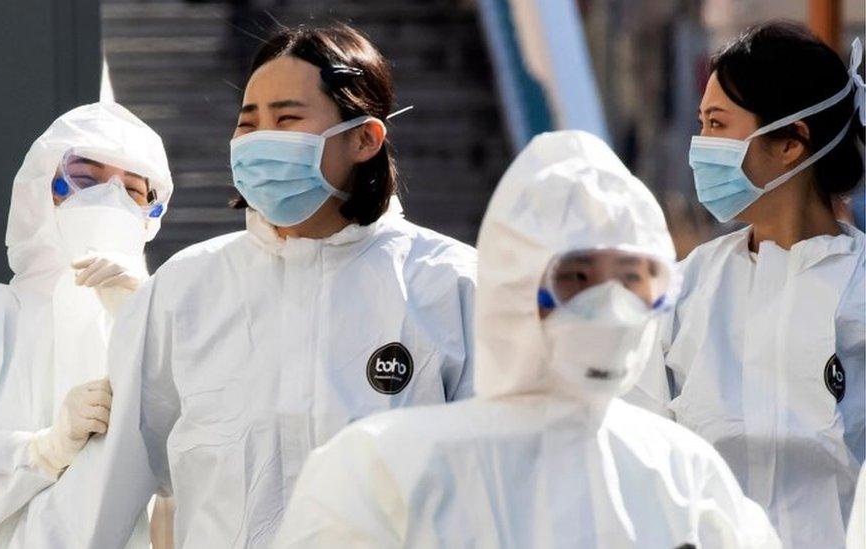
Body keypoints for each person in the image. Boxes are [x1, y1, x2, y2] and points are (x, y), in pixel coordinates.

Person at [9, 24, 476, 548]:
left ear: (364, 138)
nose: (258, 141)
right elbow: (106, 490)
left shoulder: (452, 286)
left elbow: (497, 483)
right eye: (248, 123)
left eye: (286, 119)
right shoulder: (185, 289)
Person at [272, 130, 780, 548]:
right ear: (516, 286)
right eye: (579, 279)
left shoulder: (686, 476)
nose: (611, 309)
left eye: (633, 280)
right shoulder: (383, 472)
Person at [0, 102, 173, 548]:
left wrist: (149, 328)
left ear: (151, 215)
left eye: (134, 190)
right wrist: (41, 450)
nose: (109, 198)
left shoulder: (152, 334)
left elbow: (208, 472)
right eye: (87, 177)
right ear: (43, 185)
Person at [627, 22, 866, 549]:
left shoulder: (859, 290)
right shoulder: (684, 293)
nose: (700, 147)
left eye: (717, 124)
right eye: (701, 124)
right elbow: (638, 454)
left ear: (790, 142)